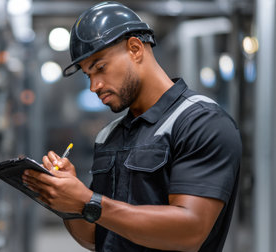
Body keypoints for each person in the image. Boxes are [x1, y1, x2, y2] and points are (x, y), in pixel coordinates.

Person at [22, 1, 242, 251]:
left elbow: (190, 231)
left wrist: (90, 201)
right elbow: (95, 236)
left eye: (100, 68)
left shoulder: (201, 122)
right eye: (88, 75)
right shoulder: (109, 135)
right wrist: (68, 203)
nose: (94, 86)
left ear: (135, 49)